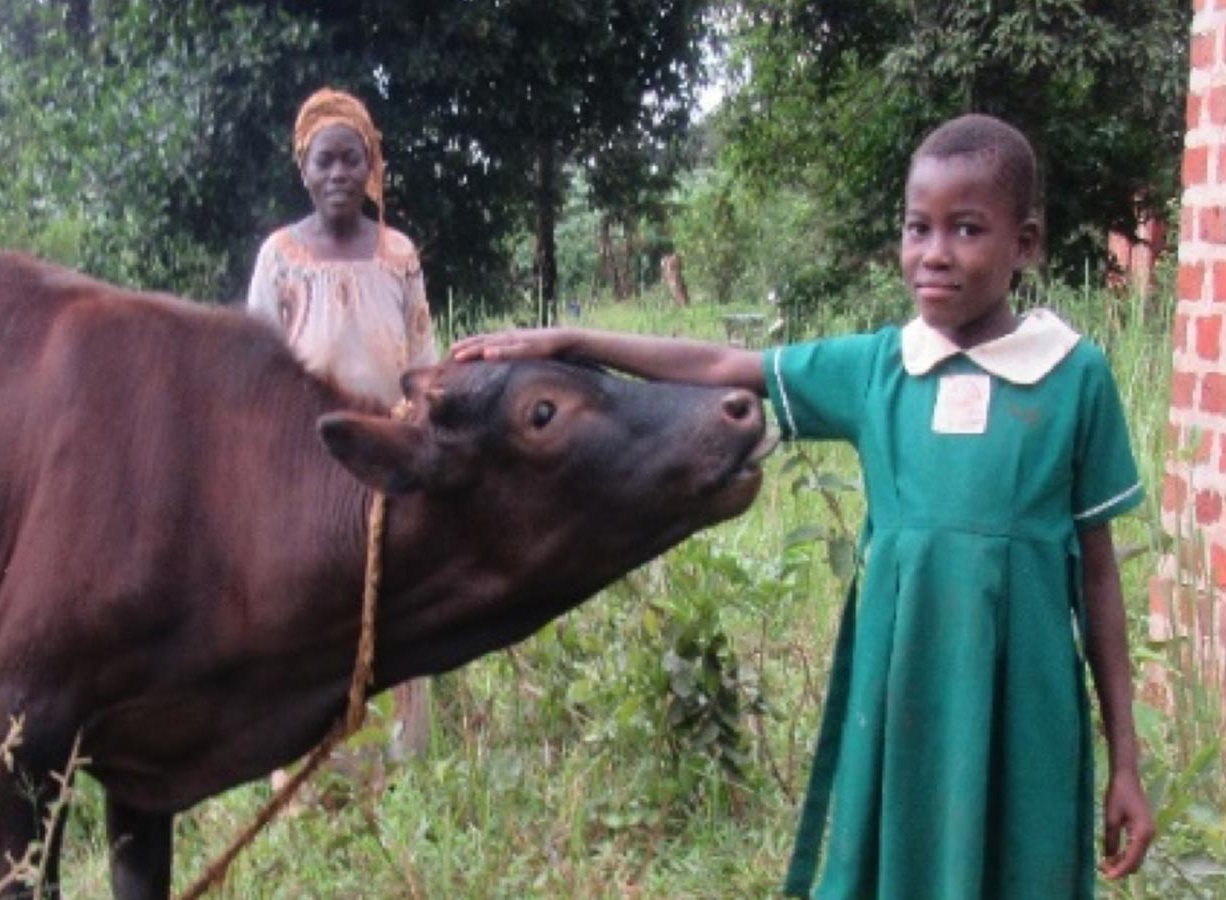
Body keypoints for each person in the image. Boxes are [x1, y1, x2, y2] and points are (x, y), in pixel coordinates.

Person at [452, 113, 1153, 899]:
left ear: (1024, 243)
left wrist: (1126, 759)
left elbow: (1098, 576)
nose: (933, 254)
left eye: (966, 229)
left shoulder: (1073, 376)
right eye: (916, 228)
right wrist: (569, 341)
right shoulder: (881, 369)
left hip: (1027, 706)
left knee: (1020, 867)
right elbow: (724, 363)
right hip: (902, 702)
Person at [246, 87, 437, 763]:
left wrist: (418, 434)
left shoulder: (398, 256)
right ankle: (314, 764)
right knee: (312, 617)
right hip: (308, 471)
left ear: (370, 166)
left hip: (388, 464)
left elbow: (421, 363)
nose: (338, 175)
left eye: (351, 160)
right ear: (304, 169)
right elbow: (258, 375)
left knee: (399, 610)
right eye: (324, 161)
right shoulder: (280, 259)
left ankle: (405, 765)